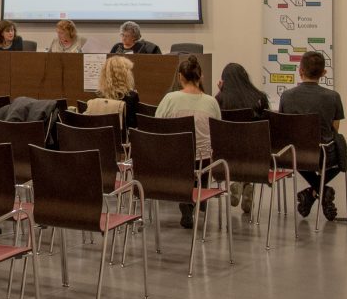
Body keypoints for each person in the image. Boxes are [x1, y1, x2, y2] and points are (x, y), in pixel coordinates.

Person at [155, 55, 221, 229]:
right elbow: (217, 132)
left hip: (174, 160)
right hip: (203, 161)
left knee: (183, 152)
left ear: (180, 77)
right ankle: (200, 192)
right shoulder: (211, 101)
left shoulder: (170, 99)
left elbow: (157, 126)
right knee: (205, 151)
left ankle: (186, 199)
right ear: (201, 77)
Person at [280, 51, 346, 221]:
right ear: (324, 73)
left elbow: (284, 126)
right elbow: (335, 130)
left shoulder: (286, 96)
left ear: (300, 70)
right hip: (323, 155)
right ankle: (321, 190)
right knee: (341, 152)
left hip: (295, 154)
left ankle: (313, 192)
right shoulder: (333, 97)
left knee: (300, 153)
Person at [214, 62, 269, 214]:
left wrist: (220, 92)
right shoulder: (260, 98)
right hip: (255, 152)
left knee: (235, 146)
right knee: (247, 145)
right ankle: (246, 183)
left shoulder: (219, 99)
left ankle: (235, 181)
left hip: (227, 152)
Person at [85, 56, 139, 132]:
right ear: (125, 75)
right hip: (122, 141)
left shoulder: (97, 95)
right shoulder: (132, 96)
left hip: (98, 138)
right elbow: (134, 127)